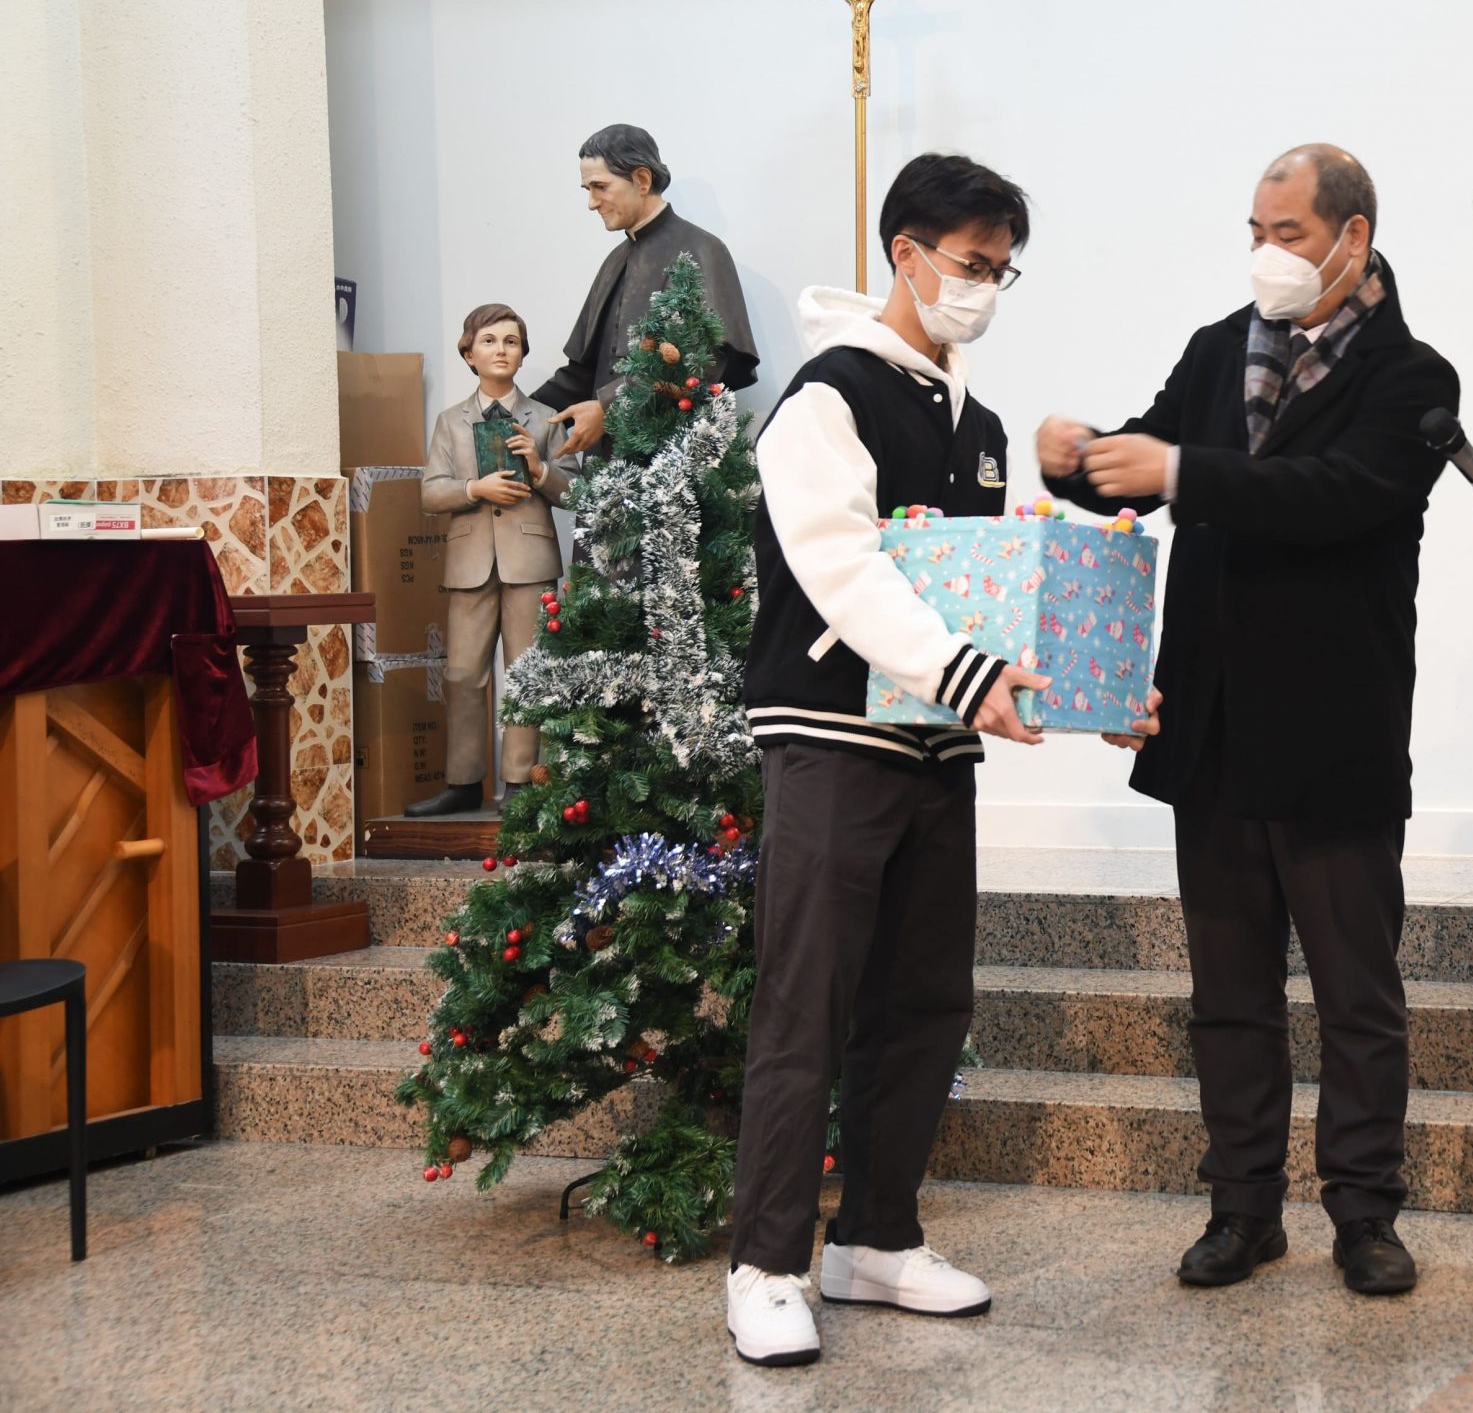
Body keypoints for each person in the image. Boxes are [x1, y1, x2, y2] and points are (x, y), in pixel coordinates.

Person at [723, 154, 1153, 1368]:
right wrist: (965, 676)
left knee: (923, 1001)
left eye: (1001, 269)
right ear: (904, 254)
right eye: (970, 263)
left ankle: (874, 1239)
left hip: (932, 745)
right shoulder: (828, 396)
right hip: (829, 739)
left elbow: (988, 588)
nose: (984, 288)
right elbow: (842, 568)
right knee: (807, 1001)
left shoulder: (977, 422)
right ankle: (765, 1265)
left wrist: (1096, 690)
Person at [1038, 144, 1459, 1298]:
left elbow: (1335, 498)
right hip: (1212, 728)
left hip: (1334, 733)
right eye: (1256, 233)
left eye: (1289, 234)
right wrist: (1077, 460)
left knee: (1356, 998)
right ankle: (1242, 1208)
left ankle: (1364, 1214)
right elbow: (1145, 462)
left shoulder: (1413, 376)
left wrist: (1180, 469)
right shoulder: (1220, 346)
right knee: (1227, 998)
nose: (1267, 255)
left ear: (1352, 237)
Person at [408, 304, 577, 817]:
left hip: (530, 562)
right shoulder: (450, 422)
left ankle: (521, 780)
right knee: (462, 673)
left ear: (522, 355)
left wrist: (540, 469)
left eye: (511, 341)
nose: (500, 350)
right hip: (470, 563)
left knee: (526, 670)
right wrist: (473, 489)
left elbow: (576, 490)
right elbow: (430, 493)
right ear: (468, 354)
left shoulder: (545, 418)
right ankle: (462, 782)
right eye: (488, 341)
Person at [532, 124, 760, 455]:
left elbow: (707, 360)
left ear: (642, 180)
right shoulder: (614, 261)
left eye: (600, 187)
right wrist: (520, 414)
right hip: (607, 462)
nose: (592, 203)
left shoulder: (703, 250)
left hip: (676, 457)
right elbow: (582, 373)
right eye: (587, 189)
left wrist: (607, 407)